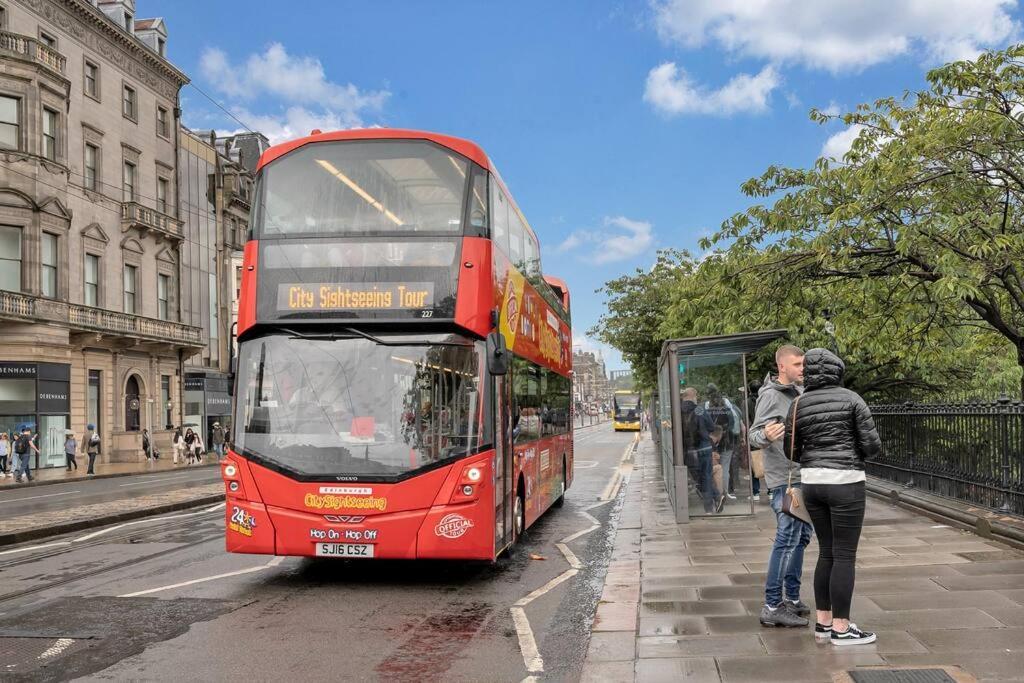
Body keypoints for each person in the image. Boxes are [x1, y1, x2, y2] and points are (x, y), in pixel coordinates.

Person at [785, 348, 882, 645]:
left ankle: (823, 623)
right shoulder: (852, 399)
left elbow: (789, 450)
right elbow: (871, 446)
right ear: (837, 370)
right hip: (845, 482)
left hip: (812, 484)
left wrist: (813, 458)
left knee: (825, 551)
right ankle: (842, 627)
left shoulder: (798, 402)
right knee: (844, 555)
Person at [750, 344, 812, 628]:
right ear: (782, 367)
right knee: (786, 539)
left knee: (800, 538)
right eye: (797, 364)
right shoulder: (771, 396)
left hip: (802, 477)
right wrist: (766, 434)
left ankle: (792, 598)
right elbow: (753, 435)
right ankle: (772, 605)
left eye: (804, 364)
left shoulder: (800, 392)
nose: (803, 368)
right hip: (785, 482)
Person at [680, 387, 720, 513]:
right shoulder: (699, 409)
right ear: (694, 396)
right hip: (704, 447)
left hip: (688, 449)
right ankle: (710, 505)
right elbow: (711, 426)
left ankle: (716, 497)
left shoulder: (678, 410)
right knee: (706, 476)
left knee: (698, 478)